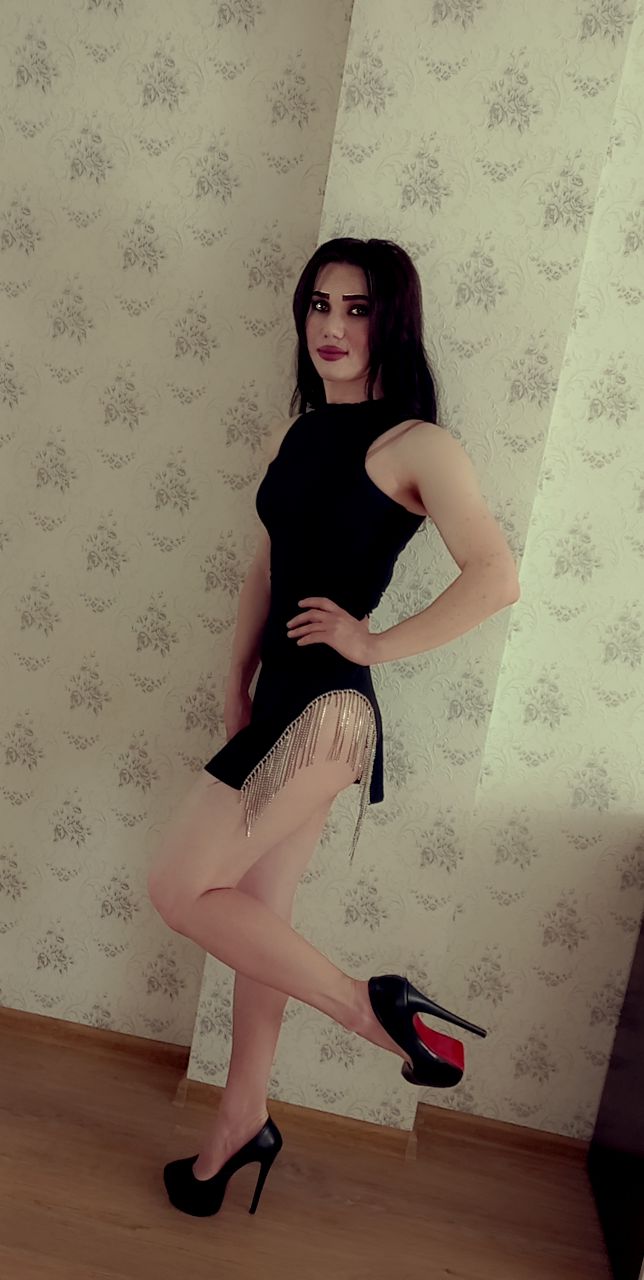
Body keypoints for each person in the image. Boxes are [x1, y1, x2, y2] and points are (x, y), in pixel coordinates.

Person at [148, 237, 520, 1217]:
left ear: (391, 320)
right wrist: (234, 675)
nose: (332, 325)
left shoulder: (417, 445)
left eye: (356, 308)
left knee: (177, 886)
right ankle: (240, 1122)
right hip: (281, 698)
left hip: (329, 709)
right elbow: (267, 563)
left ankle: (371, 1008)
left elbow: (496, 576)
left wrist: (376, 641)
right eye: (319, 304)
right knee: (256, 919)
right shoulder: (304, 430)